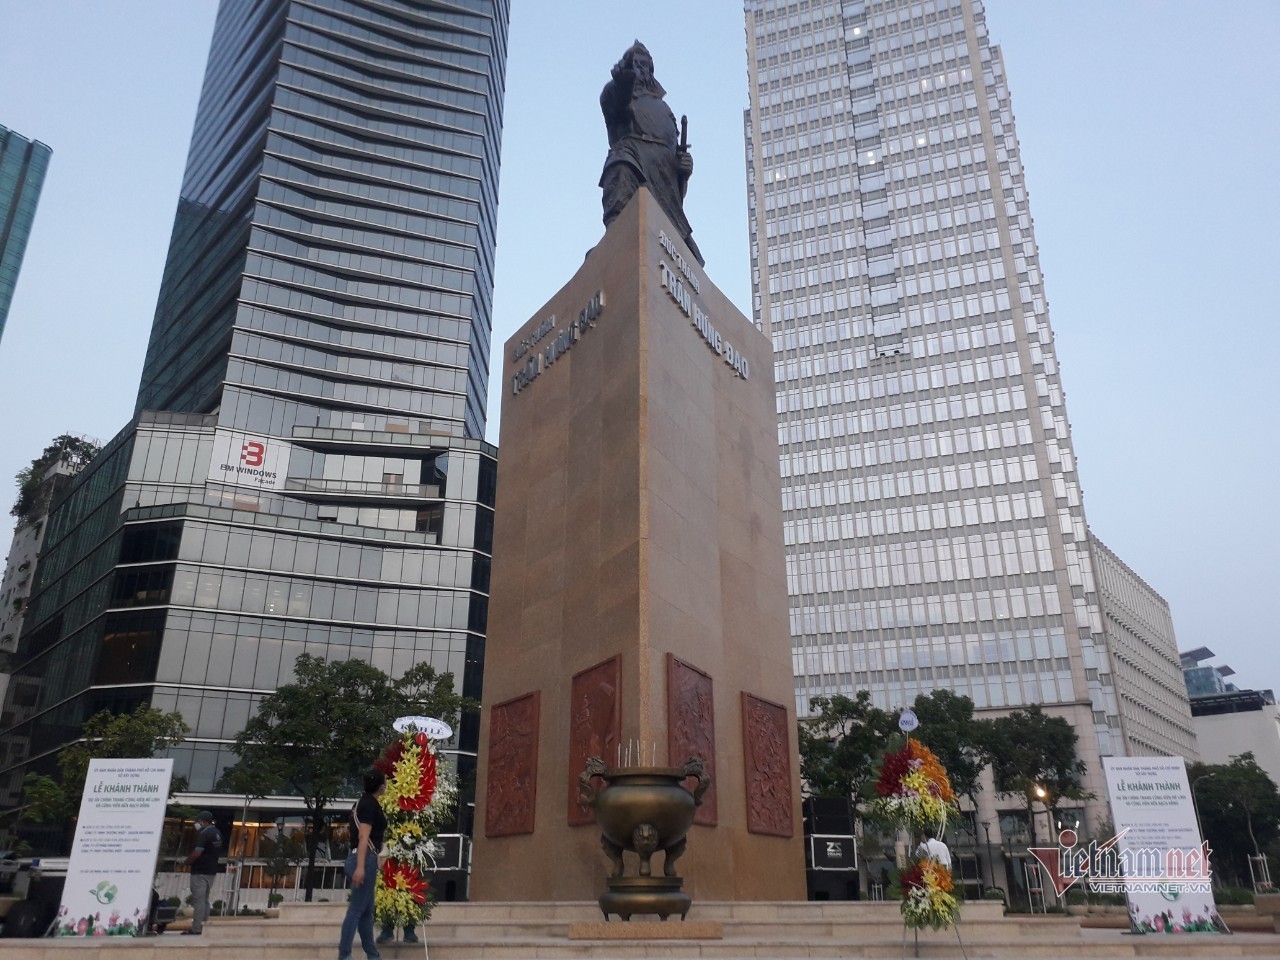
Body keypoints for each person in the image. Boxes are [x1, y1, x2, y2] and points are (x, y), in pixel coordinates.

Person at [599, 40, 702, 265]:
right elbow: (616, 104)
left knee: (681, 250)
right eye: (636, 64)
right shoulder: (617, 91)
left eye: (645, 65)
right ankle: (616, 238)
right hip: (633, 156)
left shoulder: (664, 109)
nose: (641, 69)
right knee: (622, 167)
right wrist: (623, 81)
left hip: (664, 175)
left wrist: (684, 167)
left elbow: (674, 152)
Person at [339, 768, 387, 960]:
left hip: (365, 858)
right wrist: (360, 866)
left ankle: (373, 955)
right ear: (381, 786)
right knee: (357, 910)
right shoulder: (369, 805)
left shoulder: (362, 802)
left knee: (367, 912)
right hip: (363, 859)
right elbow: (363, 836)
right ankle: (344, 955)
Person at [183, 811, 221, 935]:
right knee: (205, 900)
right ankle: (204, 925)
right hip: (211, 871)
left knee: (198, 900)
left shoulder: (204, 834)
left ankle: (197, 928)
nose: (196, 824)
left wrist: (187, 861)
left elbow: (197, 852)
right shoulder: (217, 833)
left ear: (202, 821)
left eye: (198, 821)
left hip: (200, 871)